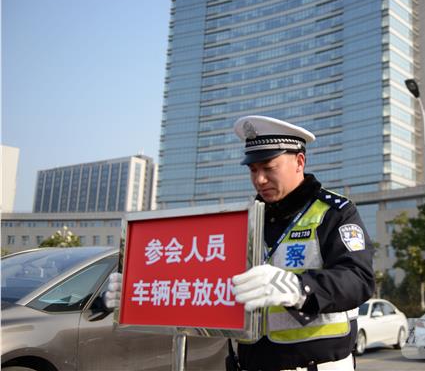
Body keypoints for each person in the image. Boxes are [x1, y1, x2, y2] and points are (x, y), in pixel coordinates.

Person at [105, 115, 376, 371]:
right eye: (253, 169)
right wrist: (136, 291)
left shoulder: (335, 213)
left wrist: (297, 288)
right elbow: (201, 284)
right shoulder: (241, 221)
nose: (259, 180)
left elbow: (359, 279)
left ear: (299, 161)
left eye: (269, 168)